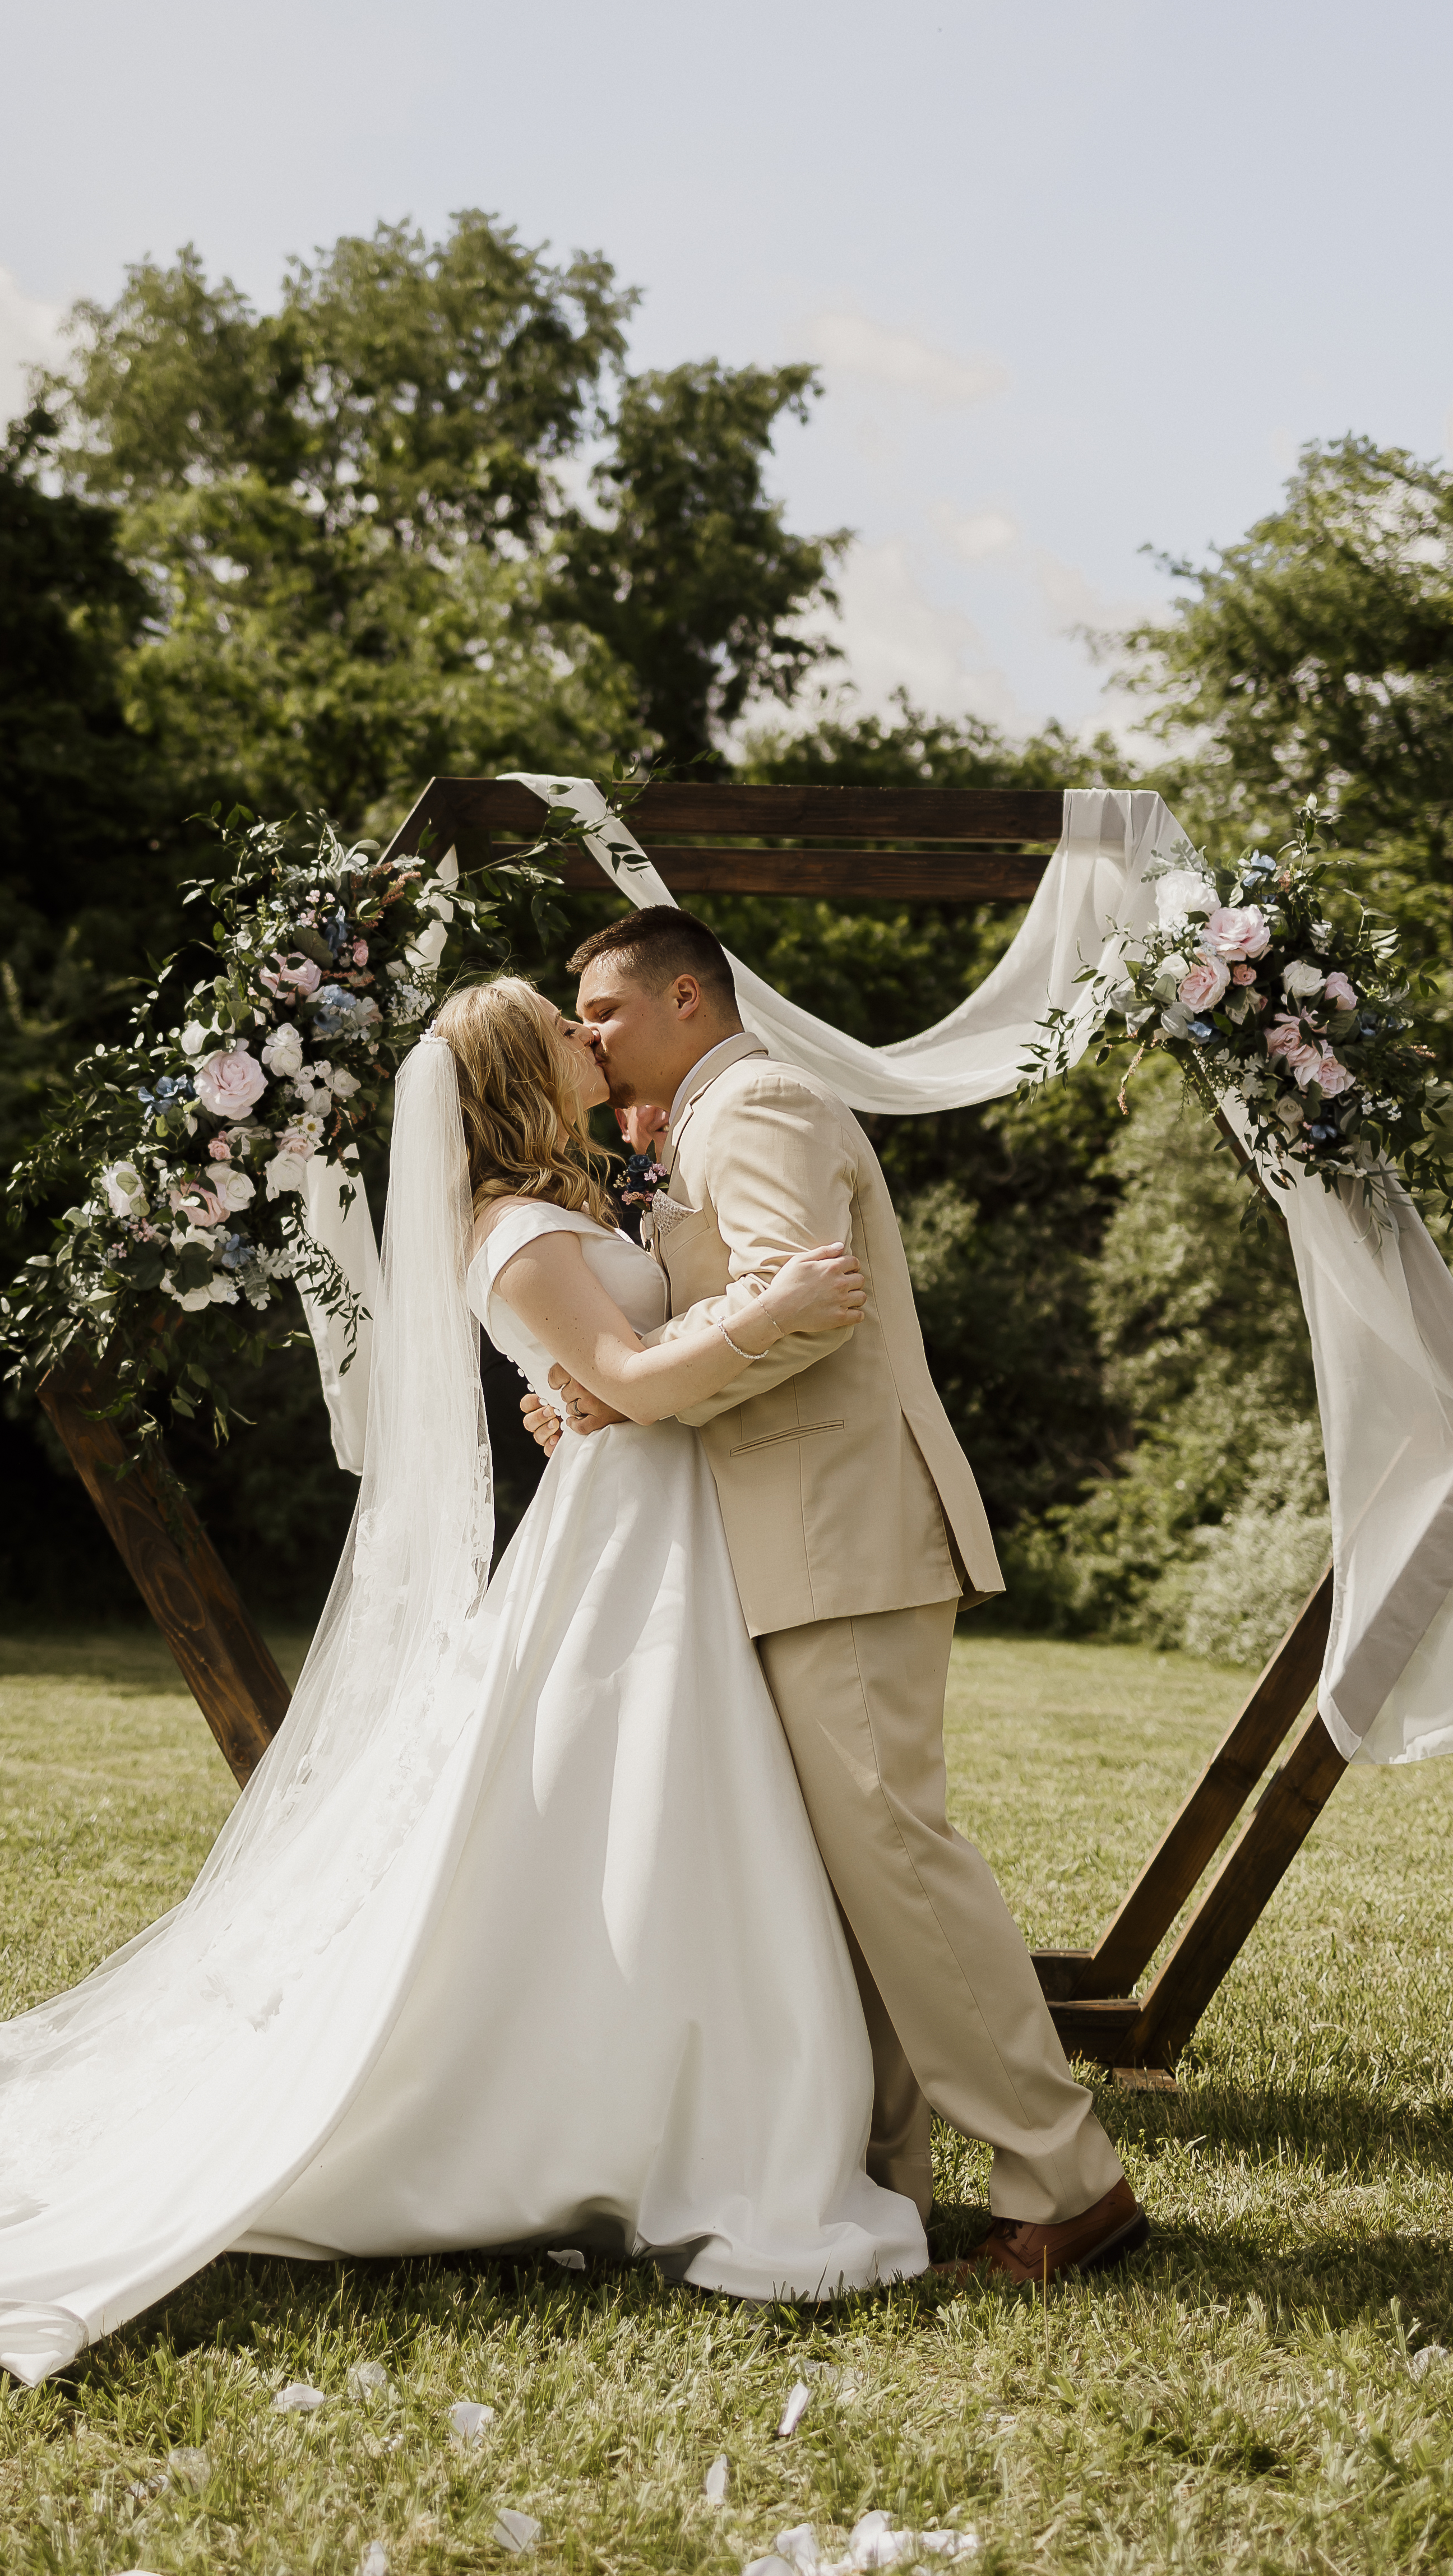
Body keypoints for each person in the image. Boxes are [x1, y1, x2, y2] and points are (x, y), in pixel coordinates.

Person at [0, 979, 924, 2387]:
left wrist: (592, 1387)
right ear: (521, 1071)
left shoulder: (554, 1207)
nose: (593, 1038)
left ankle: (721, 2086)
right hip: (629, 1545)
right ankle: (650, 2110)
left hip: (656, 1526)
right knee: (636, 1798)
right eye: (566, 1028)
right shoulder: (512, 1230)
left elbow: (614, 1373)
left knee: (671, 1805)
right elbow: (630, 1366)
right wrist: (734, 1329)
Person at [532, 905, 1145, 2288]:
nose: (591, 1037)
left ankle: (1069, 2176)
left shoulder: (758, 1102)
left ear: (689, 995)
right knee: (842, 1877)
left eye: (609, 1011)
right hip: (791, 1534)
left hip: (840, 1526)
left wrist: (621, 1393)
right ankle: (877, 2174)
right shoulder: (701, 1123)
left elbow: (799, 1304)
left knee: (899, 1858)